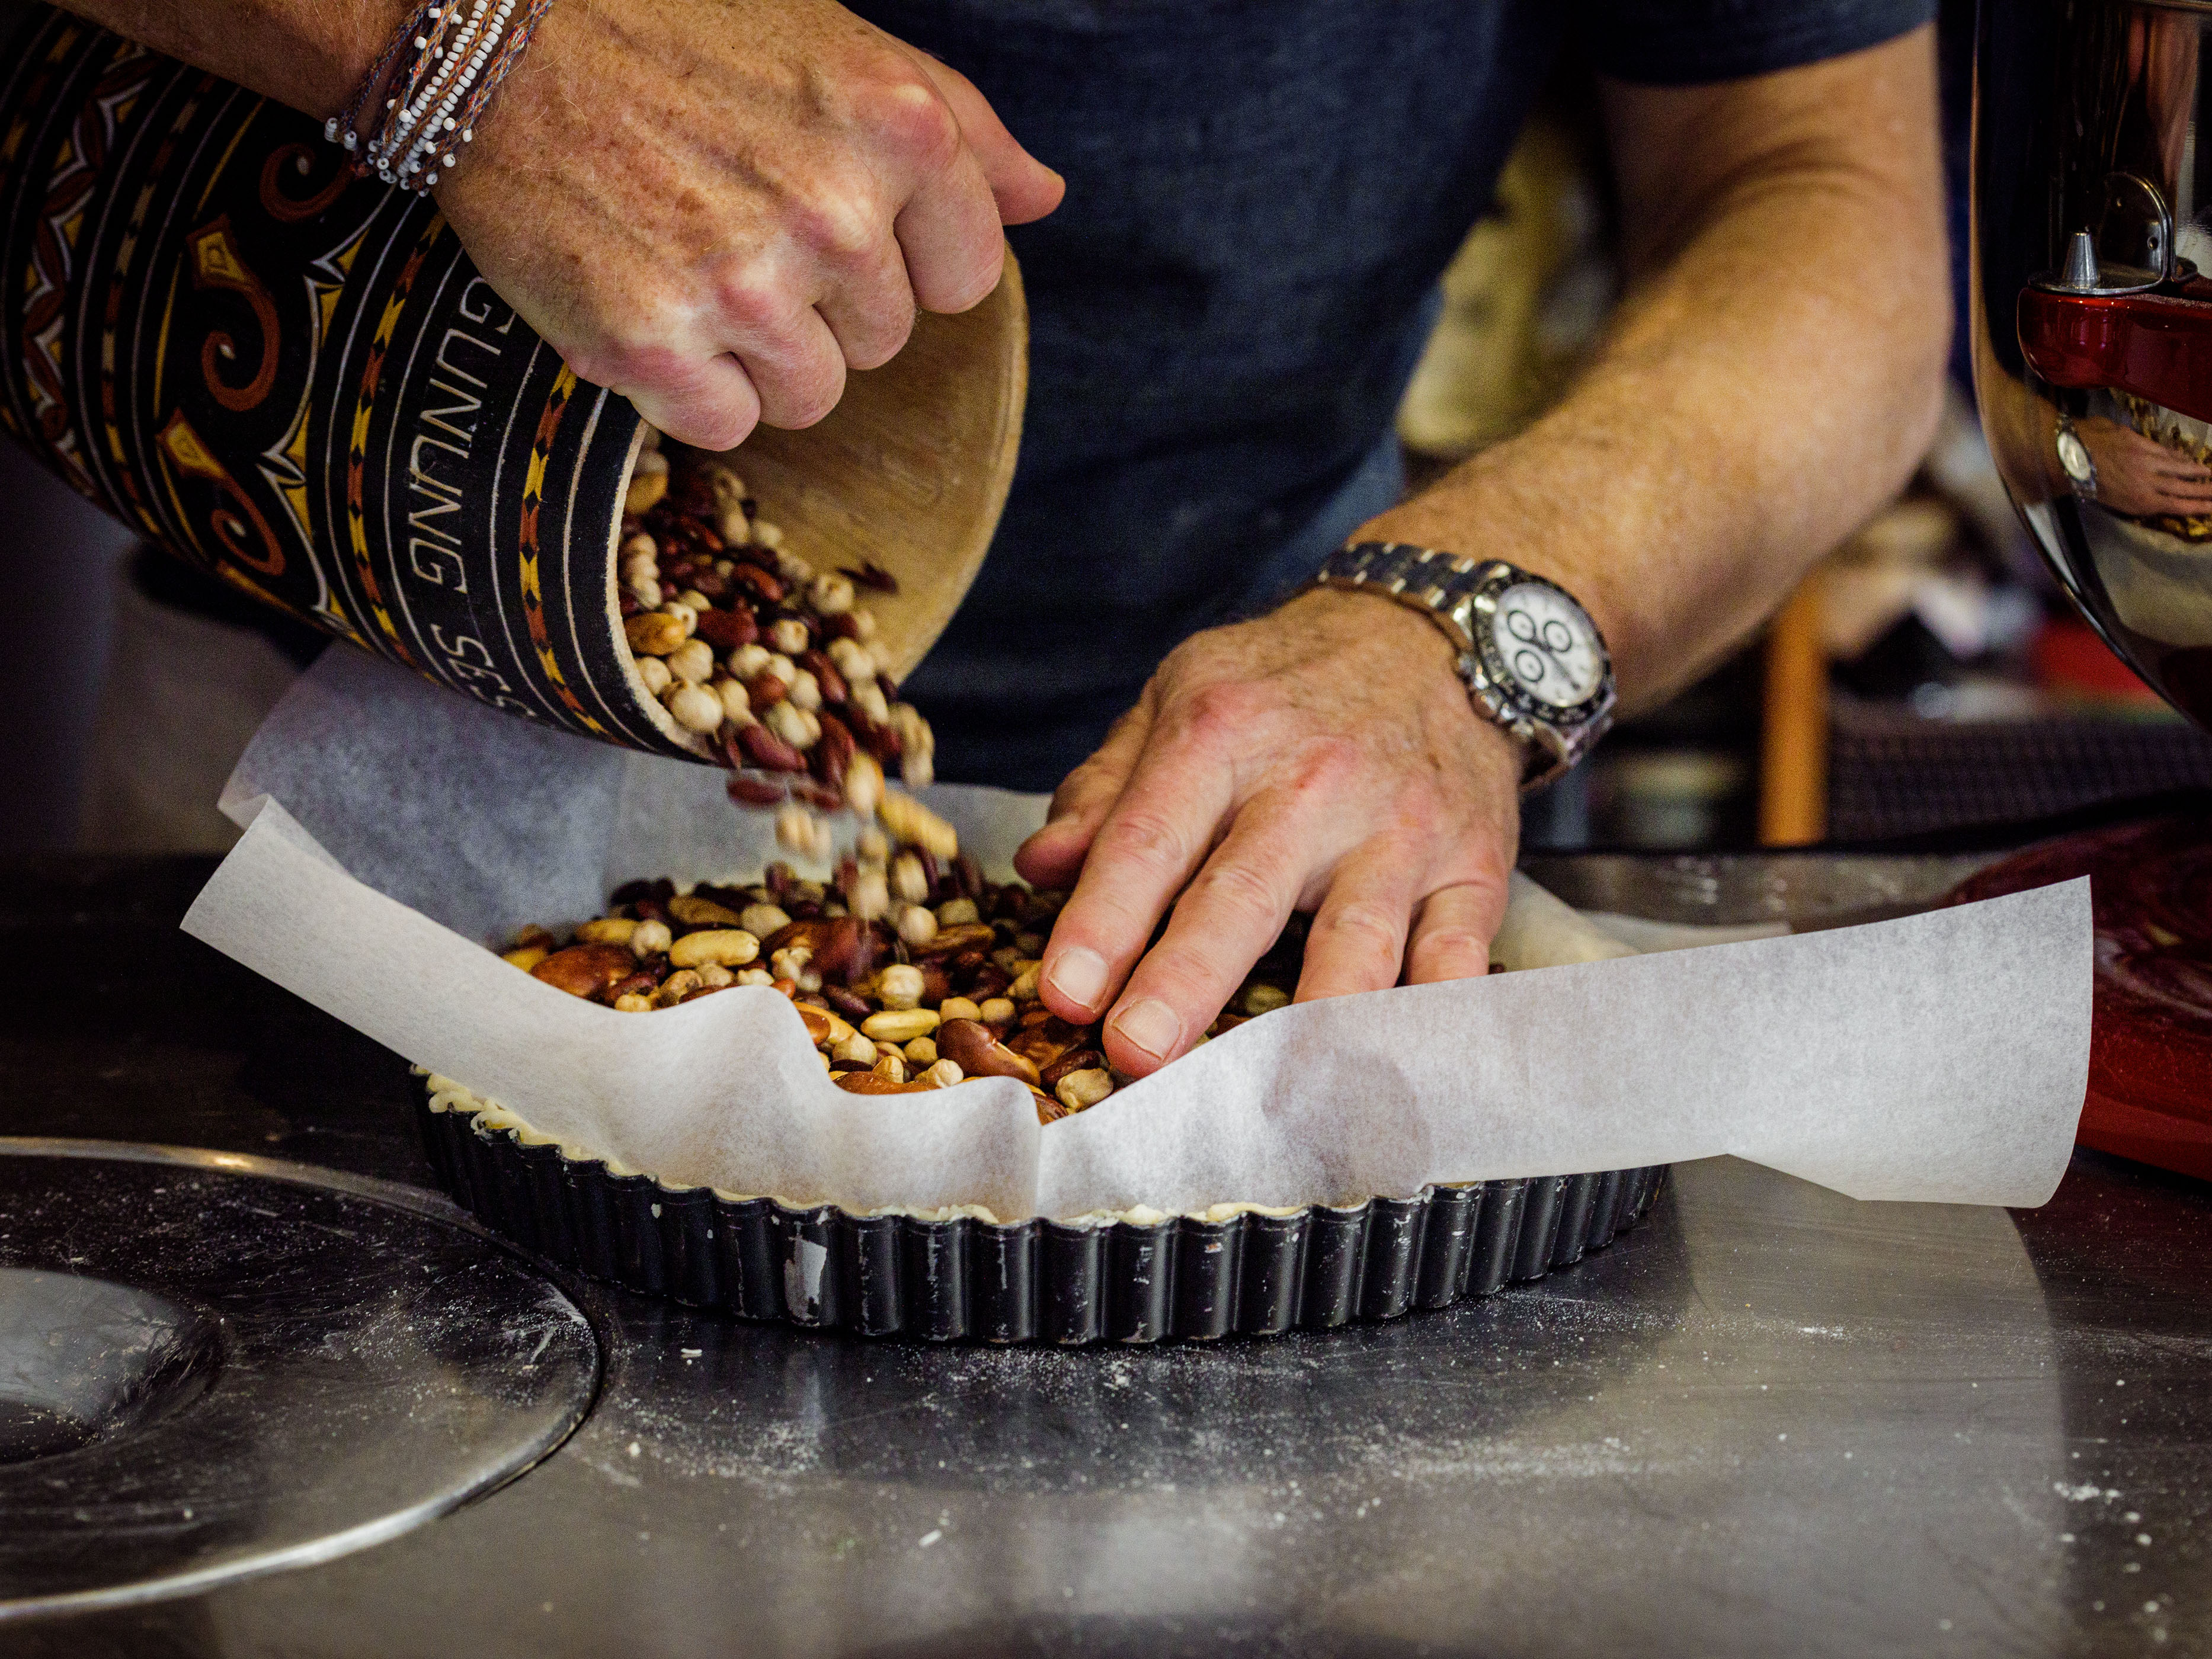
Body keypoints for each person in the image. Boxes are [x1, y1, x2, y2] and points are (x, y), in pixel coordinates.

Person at [56, 0, 1949, 1080]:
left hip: (1283, 820)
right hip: (337, 733)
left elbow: (1826, 199)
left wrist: (1464, 628)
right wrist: (462, 42)